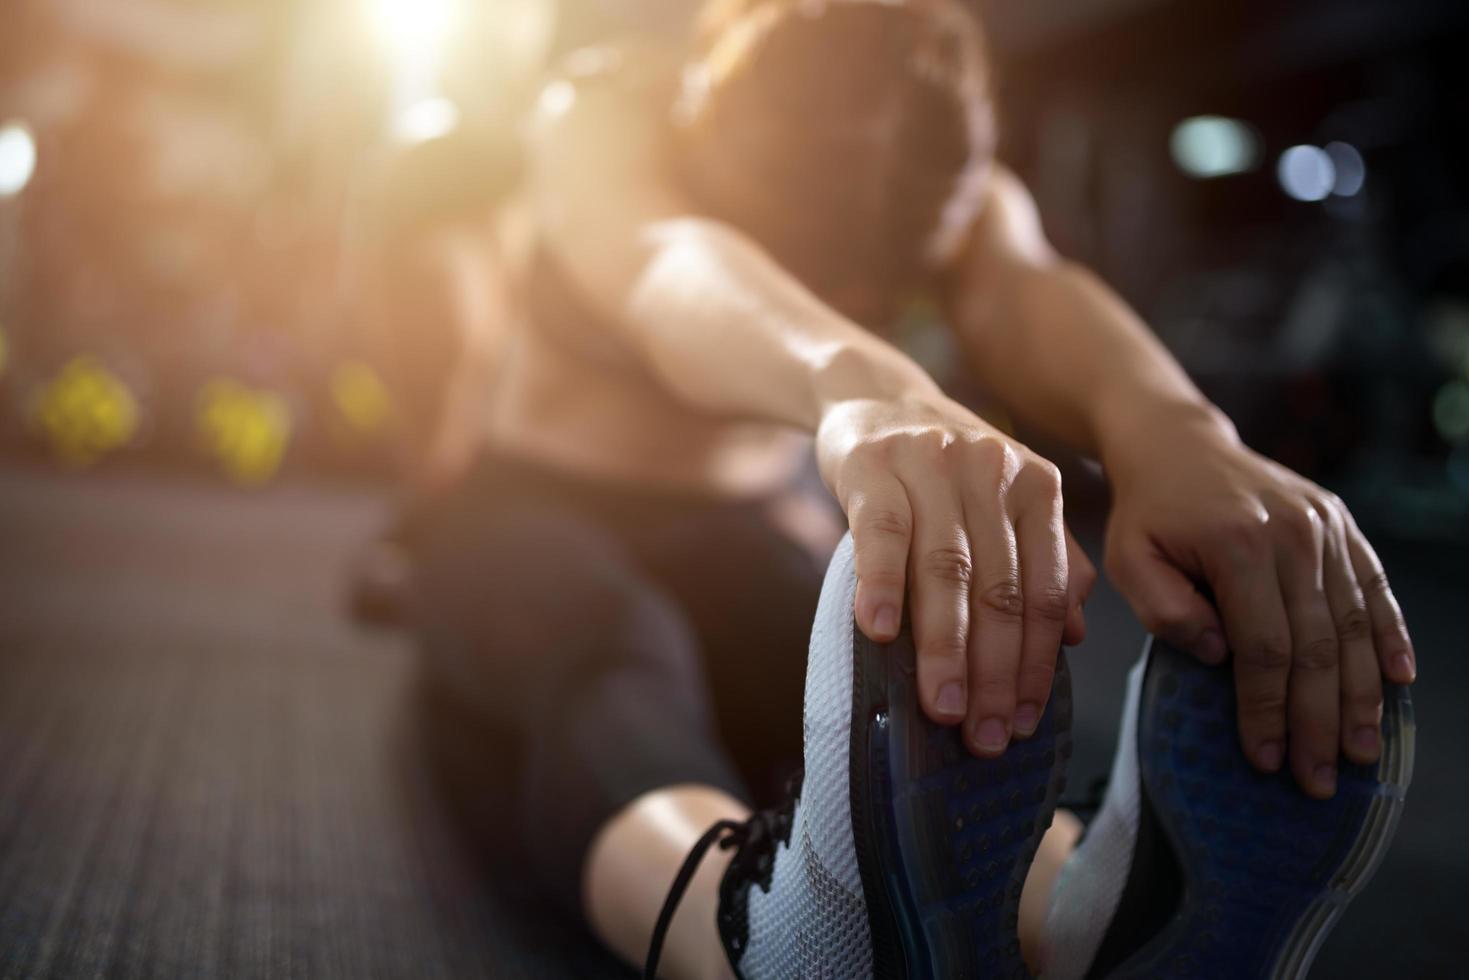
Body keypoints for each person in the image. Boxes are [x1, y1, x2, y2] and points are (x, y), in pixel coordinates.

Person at [408, 1, 1419, 976]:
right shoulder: (609, 108)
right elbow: (660, 260)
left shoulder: (942, 172)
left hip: (744, 520)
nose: (848, 304)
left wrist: (1174, 429)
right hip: (535, 499)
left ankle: (1088, 915)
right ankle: (750, 943)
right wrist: (867, 382)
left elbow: (1020, 285)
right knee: (607, 650)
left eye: (872, 293)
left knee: (908, 691)